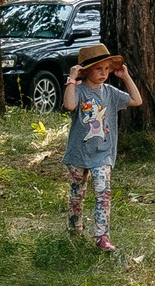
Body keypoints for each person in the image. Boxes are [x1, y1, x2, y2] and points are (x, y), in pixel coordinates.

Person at [61, 41, 143, 254]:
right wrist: (71, 79)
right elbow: (69, 105)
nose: (104, 73)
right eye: (99, 68)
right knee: (77, 194)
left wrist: (125, 76)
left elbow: (136, 100)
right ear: (85, 70)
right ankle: (74, 228)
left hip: (103, 154)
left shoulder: (111, 92)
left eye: (107, 69)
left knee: (103, 193)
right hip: (78, 153)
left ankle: (102, 236)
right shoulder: (78, 91)